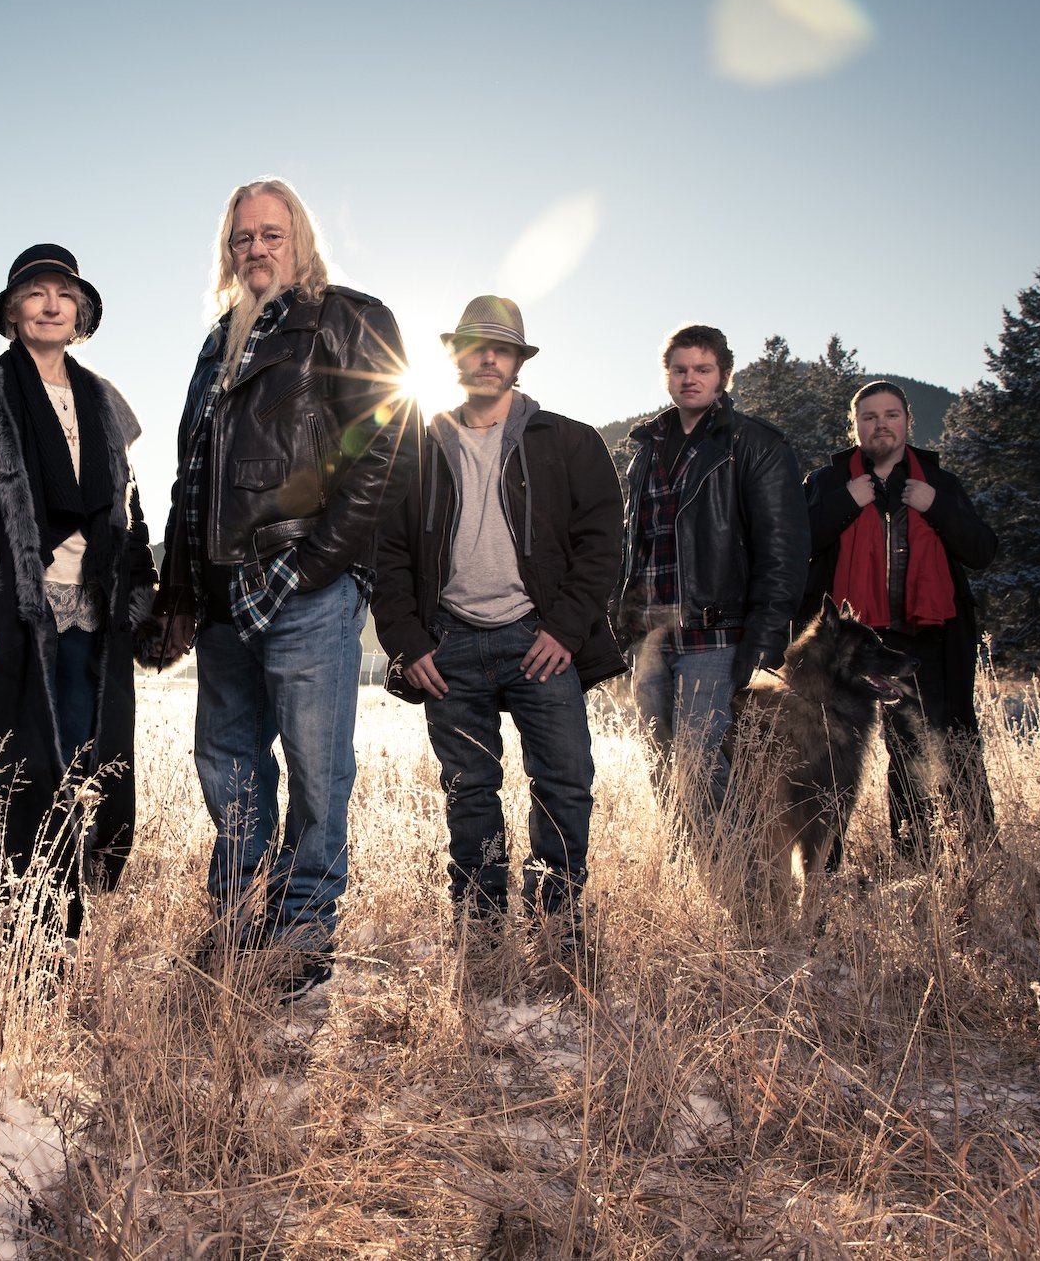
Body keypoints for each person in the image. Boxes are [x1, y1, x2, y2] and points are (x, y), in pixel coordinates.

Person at [156, 178, 409, 1000]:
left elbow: (383, 454)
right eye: (241, 239)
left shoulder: (347, 317)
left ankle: (303, 935)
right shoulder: (216, 345)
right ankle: (236, 921)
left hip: (307, 587)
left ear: (299, 238)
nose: (255, 250)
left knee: (315, 767)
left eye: (271, 234)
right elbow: (190, 476)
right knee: (227, 764)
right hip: (227, 593)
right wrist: (180, 592)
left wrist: (314, 566)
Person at [0, 245, 156, 948]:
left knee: (80, 774)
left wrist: (137, 594)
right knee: (6, 778)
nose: (51, 303)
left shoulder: (103, 403)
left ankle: (56, 934)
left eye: (64, 294)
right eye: (35, 292)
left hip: (89, 619)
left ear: (80, 314)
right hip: (14, 618)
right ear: (13, 311)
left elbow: (126, 516)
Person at [373, 297, 623, 959]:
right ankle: (481, 937)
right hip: (450, 643)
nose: (487, 358)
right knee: (469, 792)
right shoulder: (416, 445)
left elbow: (602, 544)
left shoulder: (568, 442)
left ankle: (559, 932)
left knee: (565, 782)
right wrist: (408, 641)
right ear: (455, 356)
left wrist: (565, 629)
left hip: (540, 641)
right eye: (475, 346)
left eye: (501, 348)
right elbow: (388, 553)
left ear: (517, 361)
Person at [803, 380, 999, 864]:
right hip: (851, 646)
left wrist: (938, 507)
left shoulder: (939, 484)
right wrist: (847, 501)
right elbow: (795, 545)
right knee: (830, 753)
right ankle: (825, 868)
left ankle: (947, 860)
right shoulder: (827, 484)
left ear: (908, 421)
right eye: (869, 417)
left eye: (890, 414)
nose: (880, 424)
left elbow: (982, 551)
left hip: (925, 639)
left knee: (938, 746)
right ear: (856, 425)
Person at [617, 324, 806, 821]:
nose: (690, 378)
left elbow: (782, 553)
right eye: (679, 369)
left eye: (702, 368)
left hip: (716, 636)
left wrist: (766, 642)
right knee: (661, 765)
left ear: (724, 375)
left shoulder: (754, 444)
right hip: (652, 637)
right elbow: (635, 548)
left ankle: (737, 888)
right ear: (667, 377)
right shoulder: (646, 451)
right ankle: (688, 886)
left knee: (703, 765)